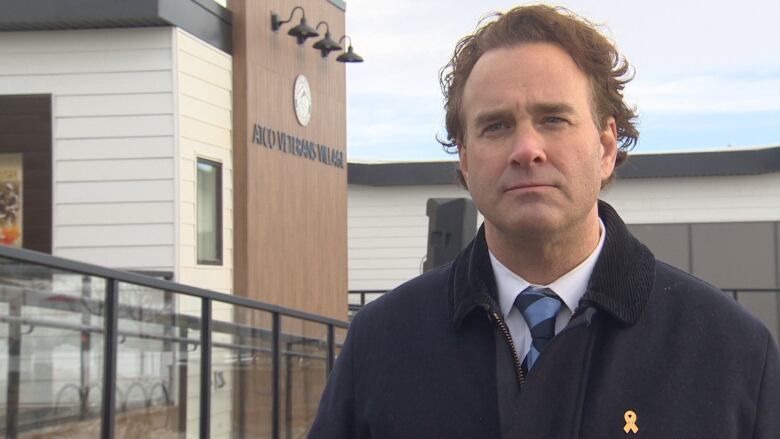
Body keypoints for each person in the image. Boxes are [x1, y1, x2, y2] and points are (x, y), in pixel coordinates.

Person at [310, 5, 780, 438]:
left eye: (554, 119)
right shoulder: (383, 343)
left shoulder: (731, 351)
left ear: (606, 147)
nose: (527, 149)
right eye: (496, 125)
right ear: (466, 160)